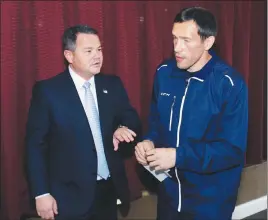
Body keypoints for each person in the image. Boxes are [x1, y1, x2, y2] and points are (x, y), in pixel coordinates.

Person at [135, 7, 248, 220]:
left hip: (210, 203)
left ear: (208, 42)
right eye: (175, 38)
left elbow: (231, 150)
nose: (178, 48)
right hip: (169, 196)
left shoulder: (229, 84)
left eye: (186, 40)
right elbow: (155, 122)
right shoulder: (164, 73)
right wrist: (149, 141)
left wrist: (178, 156)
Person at [25, 24, 141, 220]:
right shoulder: (48, 92)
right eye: (88, 51)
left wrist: (123, 128)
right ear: (69, 56)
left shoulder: (112, 84)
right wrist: (41, 193)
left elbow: (132, 118)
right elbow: (35, 146)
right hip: (68, 197)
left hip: (108, 190)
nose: (97, 56)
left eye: (99, 50)